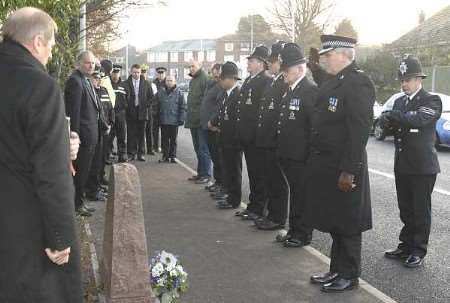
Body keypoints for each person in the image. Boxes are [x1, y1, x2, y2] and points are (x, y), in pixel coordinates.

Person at [0, 7, 82, 302]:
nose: (50, 52)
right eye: (50, 44)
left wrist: (63, 140)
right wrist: (60, 237)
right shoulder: (38, 85)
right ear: (37, 41)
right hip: (26, 228)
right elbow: (51, 172)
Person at [305, 35, 375, 292]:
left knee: (348, 223)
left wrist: (349, 170)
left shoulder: (359, 82)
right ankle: (336, 269)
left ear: (346, 54)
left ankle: (349, 274)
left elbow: (358, 131)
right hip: (328, 164)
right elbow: (326, 91)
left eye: (328, 55)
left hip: (345, 166)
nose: (325, 59)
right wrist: (313, 67)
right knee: (335, 219)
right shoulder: (337, 81)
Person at [380, 55, 441, 268]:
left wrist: (394, 116)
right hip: (403, 164)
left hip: (423, 167)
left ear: (418, 79)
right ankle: (405, 245)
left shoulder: (431, 100)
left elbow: (419, 119)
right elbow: (392, 126)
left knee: (420, 210)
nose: (404, 84)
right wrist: (386, 121)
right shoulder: (399, 102)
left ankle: (418, 250)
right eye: (402, 80)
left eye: (408, 79)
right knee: (405, 208)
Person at [273, 43, 318, 247]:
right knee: (296, 194)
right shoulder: (290, 89)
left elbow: (313, 127)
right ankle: (294, 230)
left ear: (300, 69)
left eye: (287, 69)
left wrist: (309, 155)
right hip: (289, 154)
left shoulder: (309, 90)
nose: (284, 73)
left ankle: (302, 234)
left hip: (302, 156)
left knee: (303, 196)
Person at [254, 41, 289, 231]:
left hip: (275, 140)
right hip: (267, 139)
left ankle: (277, 217)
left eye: (273, 61)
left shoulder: (283, 82)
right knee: (270, 179)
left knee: (278, 181)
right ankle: (272, 214)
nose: (270, 65)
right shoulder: (276, 80)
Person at [234, 45, 272, 221]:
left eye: (252, 60)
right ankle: (253, 205)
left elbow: (261, 112)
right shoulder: (249, 80)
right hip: (247, 137)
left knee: (259, 175)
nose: (248, 63)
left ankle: (259, 208)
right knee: (253, 174)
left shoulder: (265, 81)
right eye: (249, 60)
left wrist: (256, 134)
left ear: (262, 64)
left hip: (256, 138)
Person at [65, 50, 101, 217]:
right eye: (88, 62)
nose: (91, 65)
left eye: (93, 62)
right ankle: (77, 204)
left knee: (84, 172)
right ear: (78, 63)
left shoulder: (85, 80)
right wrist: (75, 135)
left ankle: (80, 202)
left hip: (90, 135)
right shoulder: (75, 81)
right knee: (79, 173)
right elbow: (74, 112)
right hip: (82, 138)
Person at [210, 62, 243, 210]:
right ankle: (230, 196)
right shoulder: (227, 94)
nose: (221, 81)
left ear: (231, 79)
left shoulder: (238, 95)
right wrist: (214, 123)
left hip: (233, 141)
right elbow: (223, 115)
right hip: (224, 138)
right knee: (228, 170)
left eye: (223, 78)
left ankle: (234, 200)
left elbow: (237, 120)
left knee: (234, 171)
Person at [200, 63, 226, 194]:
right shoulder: (210, 84)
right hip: (206, 125)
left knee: (218, 157)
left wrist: (214, 122)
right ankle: (218, 182)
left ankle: (222, 184)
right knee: (214, 156)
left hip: (213, 126)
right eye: (213, 72)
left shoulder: (221, 87)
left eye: (217, 72)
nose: (214, 74)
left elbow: (219, 107)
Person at [185, 59, 211, 183]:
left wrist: (203, 118)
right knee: (197, 148)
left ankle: (206, 174)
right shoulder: (193, 80)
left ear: (200, 66)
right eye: (189, 67)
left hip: (201, 120)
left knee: (203, 148)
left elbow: (206, 101)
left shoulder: (204, 79)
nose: (191, 69)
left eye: (193, 66)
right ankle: (200, 173)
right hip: (193, 120)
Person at [123, 64, 154, 161]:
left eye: (138, 72)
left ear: (140, 73)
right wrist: (126, 106)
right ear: (130, 72)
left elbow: (151, 97)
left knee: (141, 134)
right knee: (131, 133)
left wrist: (146, 105)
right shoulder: (125, 83)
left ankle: (141, 153)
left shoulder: (146, 83)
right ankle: (131, 153)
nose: (136, 74)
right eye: (134, 72)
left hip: (142, 112)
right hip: (130, 111)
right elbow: (123, 97)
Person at [158, 75, 186, 163]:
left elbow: (183, 107)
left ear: (174, 82)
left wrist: (181, 118)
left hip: (174, 120)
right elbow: (156, 105)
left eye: (171, 80)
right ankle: (165, 156)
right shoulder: (161, 92)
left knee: (173, 140)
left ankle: (173, 156)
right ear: (165, 82)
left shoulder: (179, 93)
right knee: (164, 139)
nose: (169, 82)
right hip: (164, 120)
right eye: (167, 80)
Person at [110, 64, 128, 162]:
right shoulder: (107, 84)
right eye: (114, 72)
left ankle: (122, 155)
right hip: (110, 113)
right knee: (109, 136)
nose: (115, 75)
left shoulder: (124, 85)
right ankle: (108, 155)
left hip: (121, 113)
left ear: (120, 73)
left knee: (121, 135)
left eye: (117, 73)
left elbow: (128, 98)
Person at [151, 66, 167, 153]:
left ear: (165, 74)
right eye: (159, 73)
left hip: (164, 110)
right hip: (155, 110)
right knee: (155, 130)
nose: (160, 75)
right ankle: (155, 146)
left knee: (164, 131)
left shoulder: (167, 82)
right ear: (157, 74)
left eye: (162, 73)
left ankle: (164, 147)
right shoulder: (153, 83)